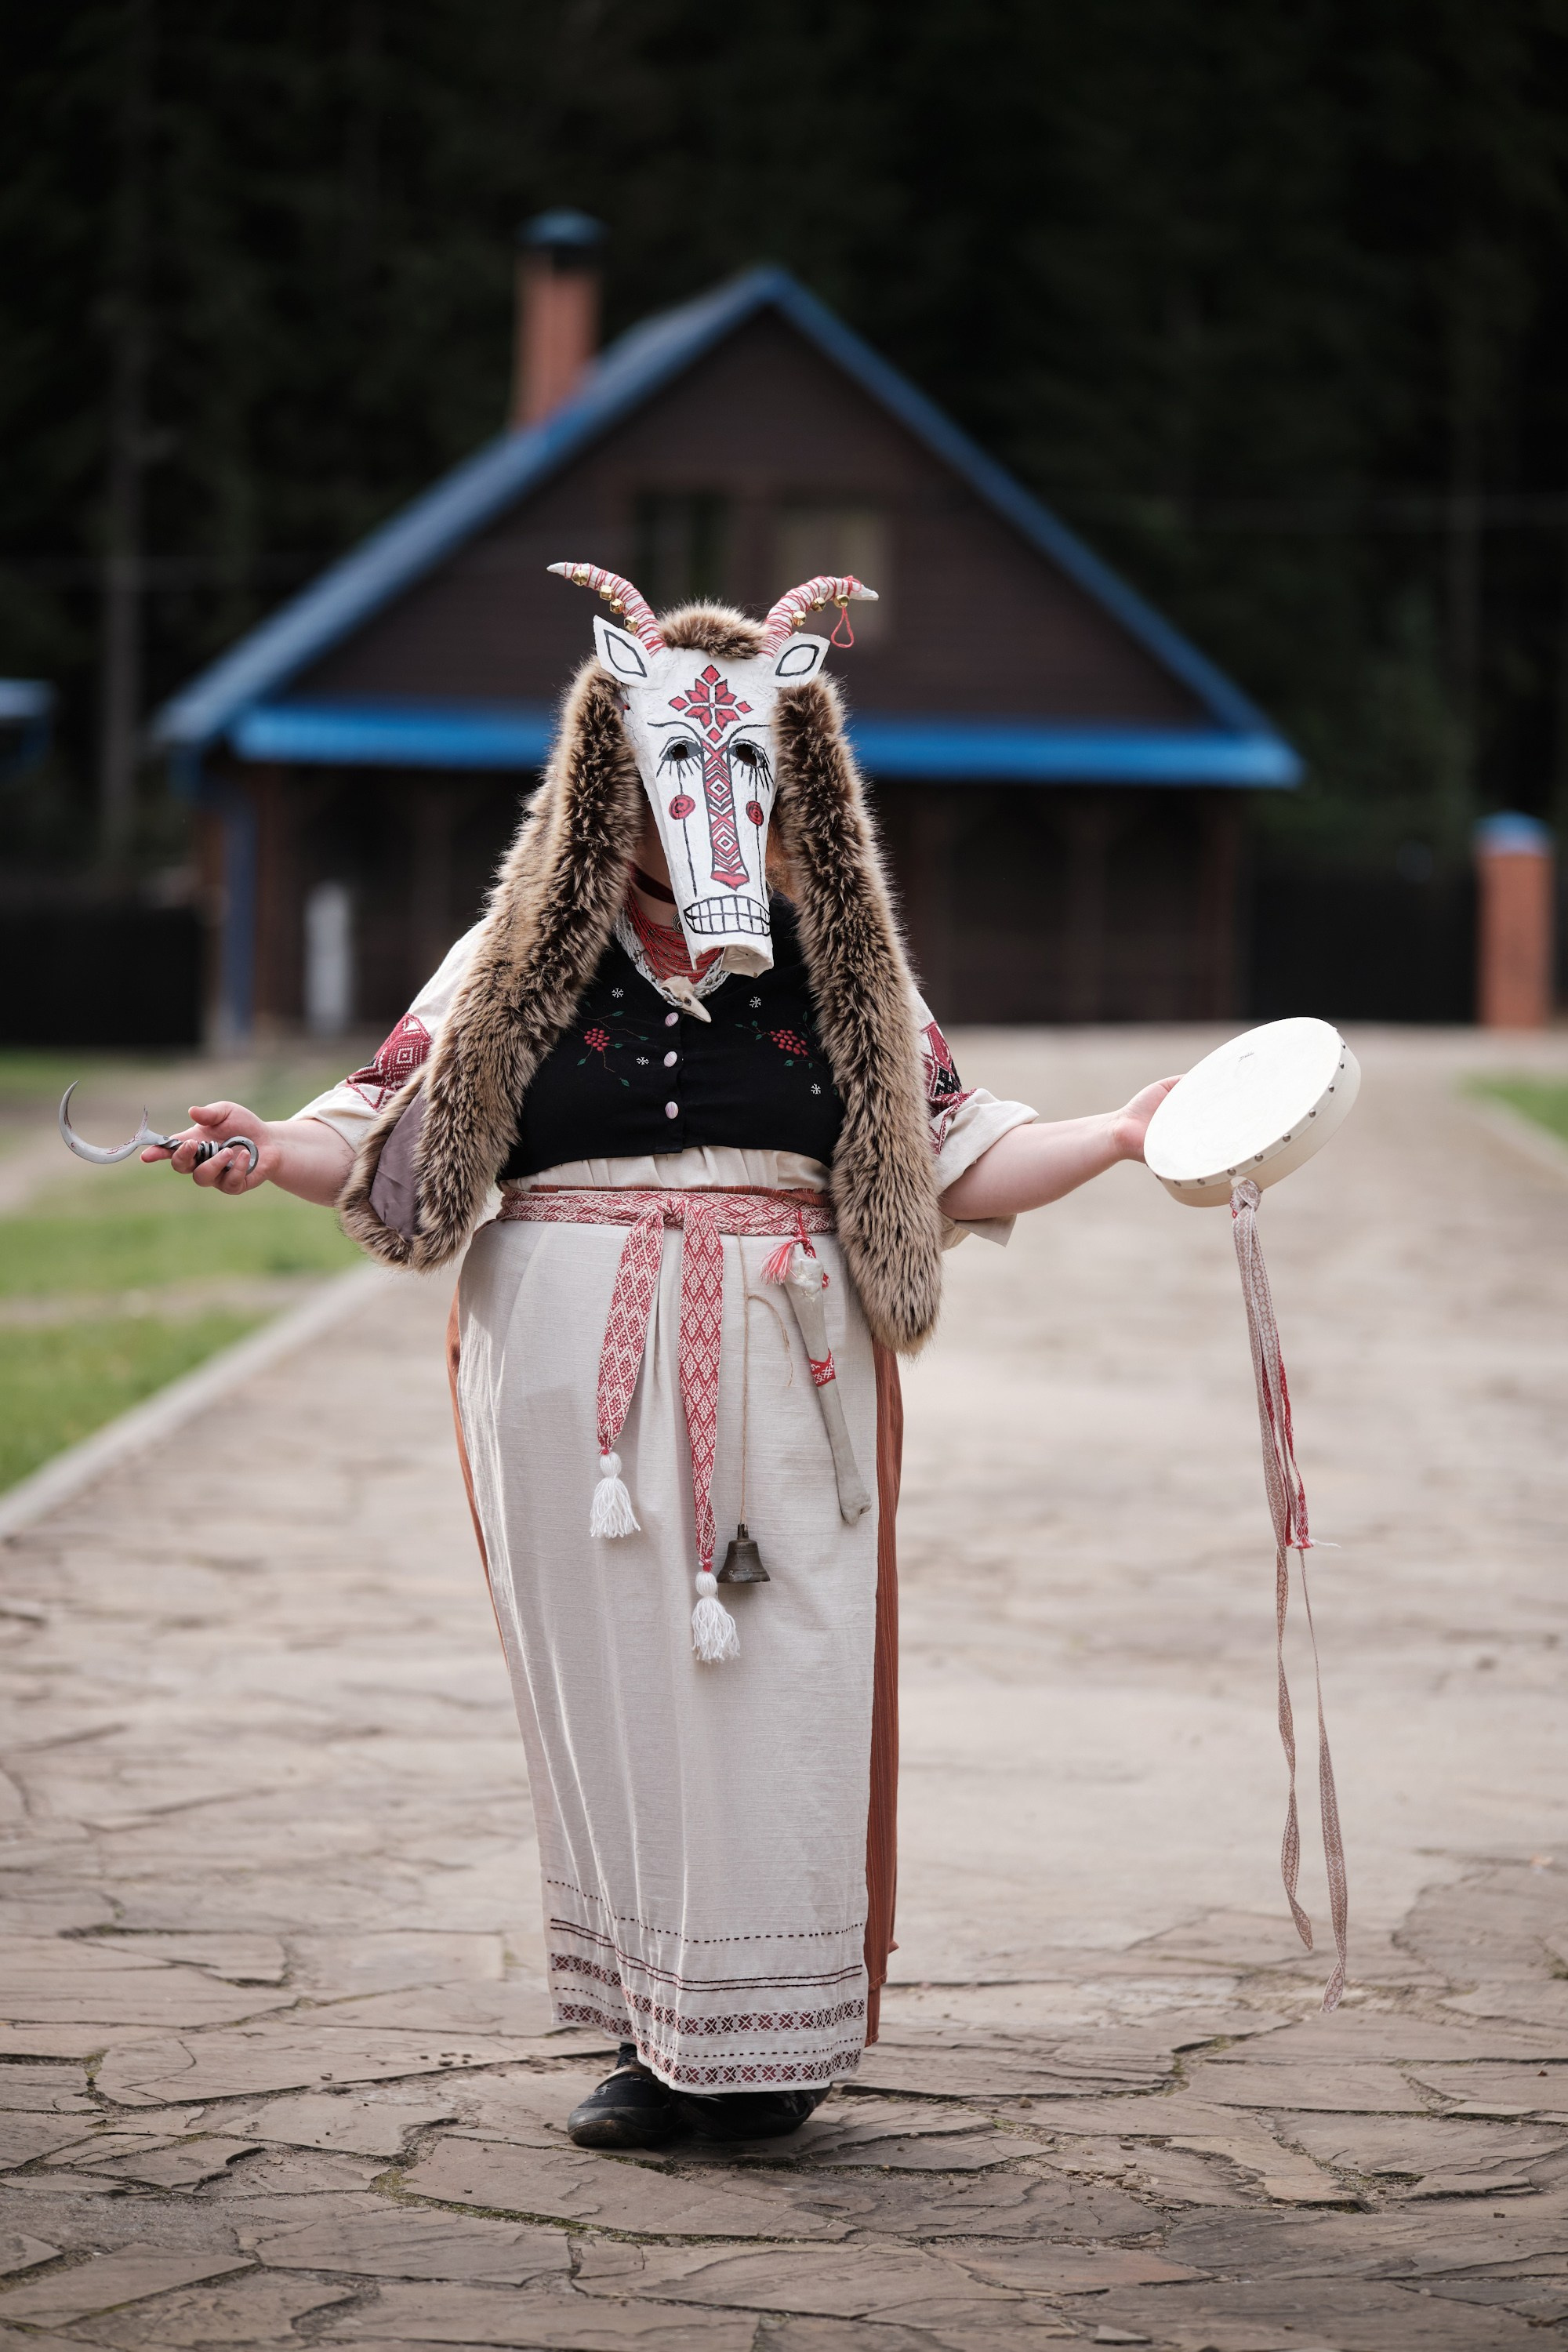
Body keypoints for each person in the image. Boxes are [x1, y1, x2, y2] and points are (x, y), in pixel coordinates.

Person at [150, 569, 1174, 2151]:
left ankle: (768, 2043)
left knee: (784, 1682)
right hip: (566, 1381)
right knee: (618, 1693)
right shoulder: (510, 955)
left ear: (788, 783)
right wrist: (258, 1146)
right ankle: (656, 2034)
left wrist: (1116, 1137)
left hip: (789, 1372)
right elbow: (373, 1122)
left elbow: (959, 1146)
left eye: (741, 773)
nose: (701, 809)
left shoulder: (841, 962)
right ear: (603, 775)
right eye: (665, 776)